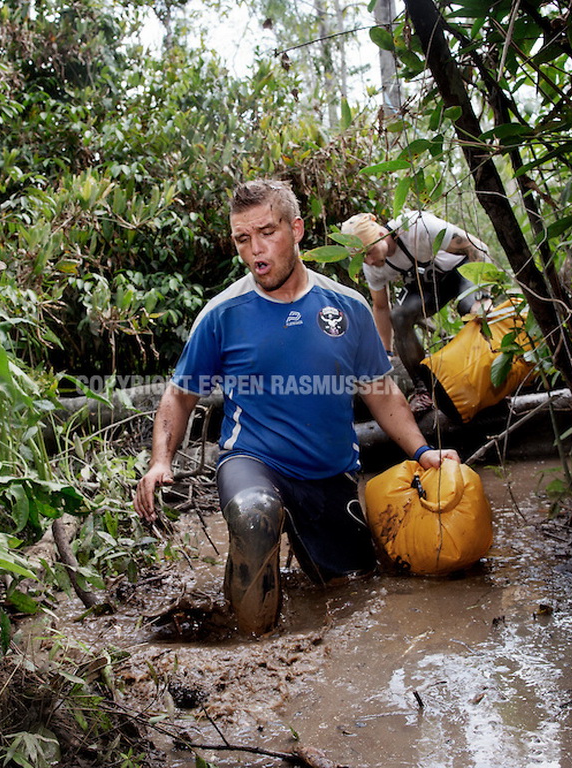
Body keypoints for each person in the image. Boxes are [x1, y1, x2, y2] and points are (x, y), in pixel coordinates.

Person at [134, 180, 458, 636]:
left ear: (297, 229)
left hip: (330, 474)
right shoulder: (223, 313)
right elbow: (179, 393)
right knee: (253, 514)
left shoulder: (348, 308)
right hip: (255, 461)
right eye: (242, 239)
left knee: (356, 592)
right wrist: (160, 462)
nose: (255, 250)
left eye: (267, 233)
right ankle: (253, 652)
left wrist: (423, 453)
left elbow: (381, 393)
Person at [341, 211, 493, 412]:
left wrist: (483, 296)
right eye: (361, 257)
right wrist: (385, 353)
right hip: (429, 287)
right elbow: (381, 307)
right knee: (399, 316)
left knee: (469, 309)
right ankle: (425, 390)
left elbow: (478, 248)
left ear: (380, 235)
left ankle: (490, 370)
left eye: (368, 252)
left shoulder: (417, 227)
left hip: (461, 271)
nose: (367, 261)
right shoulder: (372, 266)